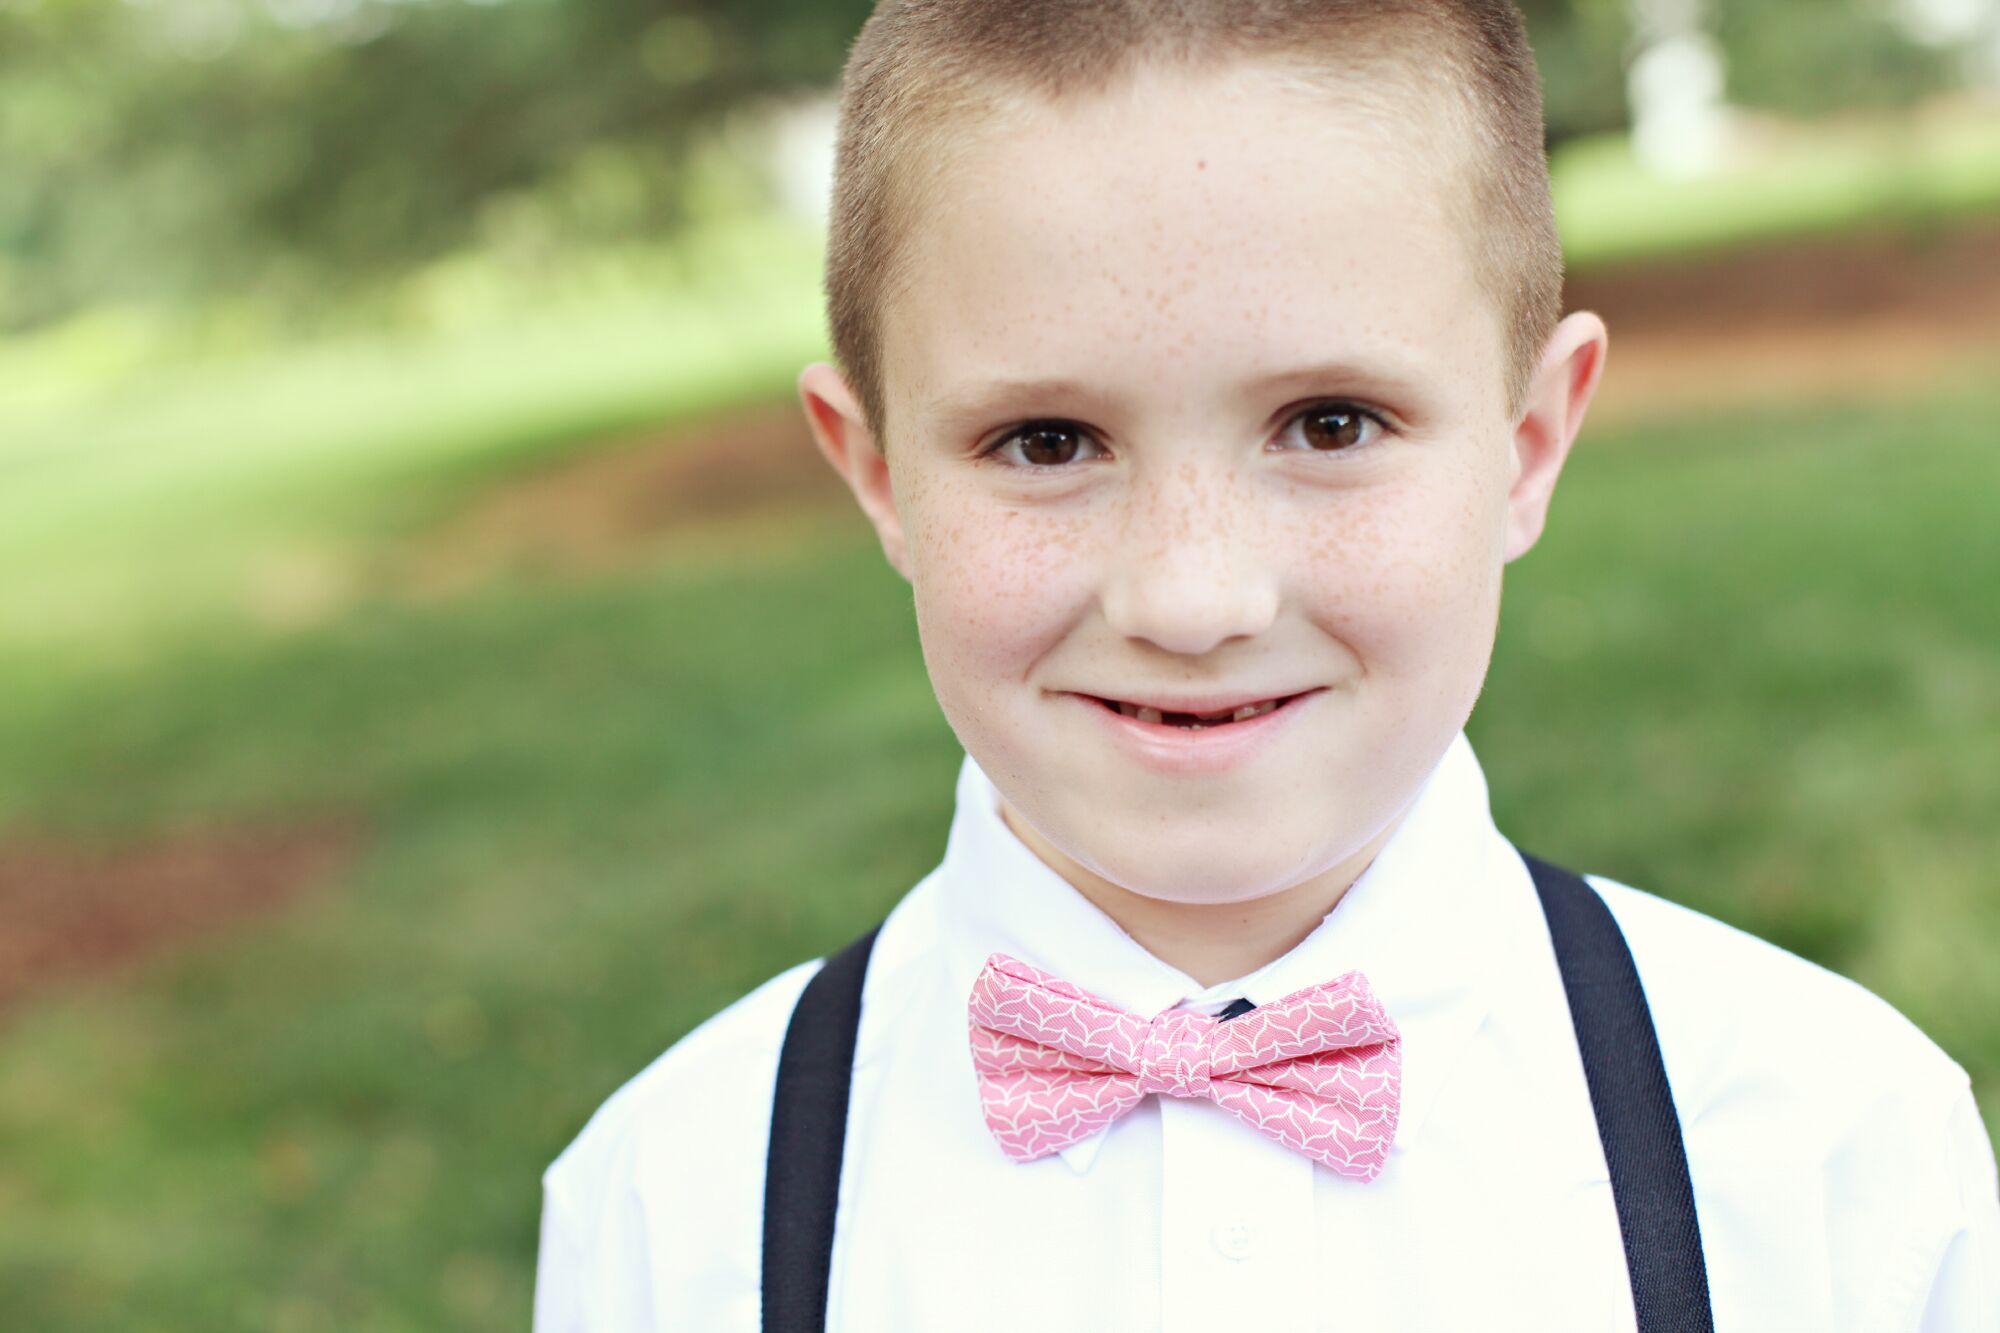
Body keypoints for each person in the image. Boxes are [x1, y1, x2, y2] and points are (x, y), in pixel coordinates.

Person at [532, 2, 2000, 1328]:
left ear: (1528, 443)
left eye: (1331, 423)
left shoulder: (1833, 1152)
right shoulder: (677, 1206)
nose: (1192, 594)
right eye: (1047, 442)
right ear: (877, 474)